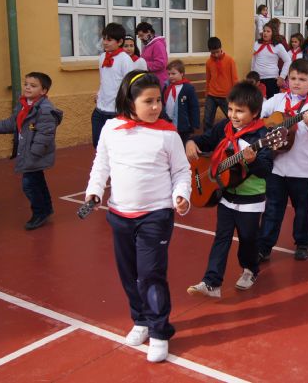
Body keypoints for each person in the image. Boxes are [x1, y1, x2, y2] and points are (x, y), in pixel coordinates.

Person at [84, 70, 191, 363]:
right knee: (129, 274)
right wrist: (94, 191)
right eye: (148, 101)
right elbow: (101, 165)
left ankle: (159, 331)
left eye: (158, 100)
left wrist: (181, 195)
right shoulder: (110, 129)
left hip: (155, 216)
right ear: (129, 101)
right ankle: (141, 320)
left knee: (151, 275)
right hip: (119, 215)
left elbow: (182, 171)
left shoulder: (168, 134)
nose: (156, 107)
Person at [185, 82, 273, 297]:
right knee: (221, 237)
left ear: (255, 113)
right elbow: (205, 140)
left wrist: (251, 161)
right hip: (225, 195)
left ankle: (250, 269)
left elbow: (265, 170)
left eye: (240, 111)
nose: (233, 115)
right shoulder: (224, 127)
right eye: (231, 109)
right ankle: (211, 282)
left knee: (248, 239)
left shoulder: (261, 136)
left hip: (251, 198)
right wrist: (191, 141)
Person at [256, 59, 308, 262]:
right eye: (293, 78)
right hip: (277, 166)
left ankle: (304, 242)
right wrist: (267, 127)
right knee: (272, 208)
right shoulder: (278, 99)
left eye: (302, 79)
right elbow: (259, 114)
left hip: (302, 168)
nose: (296, 83)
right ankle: (264, 246)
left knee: (302, 208)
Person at [0, 72, 63, 230]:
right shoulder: (24, 105)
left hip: (34, 154)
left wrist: (33, 154)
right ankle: (46, 209)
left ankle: (39, 212)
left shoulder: (44, 110)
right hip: (28, 152)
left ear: (43, 91)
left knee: (28, 185)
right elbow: (12, 123)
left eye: (33, 85)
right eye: (26, 84)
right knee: (37, 181)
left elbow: (45, 135)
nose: (28, 87)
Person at [92, 22, 134, 148]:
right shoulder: (102, 57)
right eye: (104, 38)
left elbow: (130, 85)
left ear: (120, 42)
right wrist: (99, 94)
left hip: (116, 112)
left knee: (115, 147)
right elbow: (104, 80)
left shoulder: (125, 60)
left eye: (109, 40)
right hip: (100, 110)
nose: (105, 42)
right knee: (98, 145)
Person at [205, 36, 238, 132]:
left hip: (226, 96)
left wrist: (235, 95)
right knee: (207, 120)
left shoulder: (230, 60)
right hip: (212, 95)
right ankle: (207, 139)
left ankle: (234, 136)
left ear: (221, 48)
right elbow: (208, 79)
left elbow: (235, 78)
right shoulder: (208, 62)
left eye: (217, 52)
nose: (215, 55)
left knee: (232, 118)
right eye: (212, 53)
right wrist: (207, 93)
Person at [163, 60, 200, 143]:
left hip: (183, 124)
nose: (170, 76)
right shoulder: (167, 87)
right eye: (169, 74)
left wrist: (194, 124)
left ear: (182, 73)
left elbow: (194, 106)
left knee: (183, 143)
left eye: (173, 74)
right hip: (168, 121)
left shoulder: (188, 88)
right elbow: (163, 102)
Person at [251, 23, 291, 98]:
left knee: (272, 104)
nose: (265, 33)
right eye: (264, 31)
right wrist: (252, 75)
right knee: (257, 104)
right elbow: (254, 59)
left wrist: (282, 77)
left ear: (273, 33)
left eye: (268, 31)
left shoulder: (278, 46)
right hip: (258, 79)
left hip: (272, 80)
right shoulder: (257, 43)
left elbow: (288, 60)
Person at [136, 22, 168, 86]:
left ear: (148, 32)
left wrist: (143, 64)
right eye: (139, 36)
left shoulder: (158, 44)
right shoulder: (148, 45)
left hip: (159, 81)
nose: (140, 38)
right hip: (151, 80)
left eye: (141, 35)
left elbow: (161, 63)